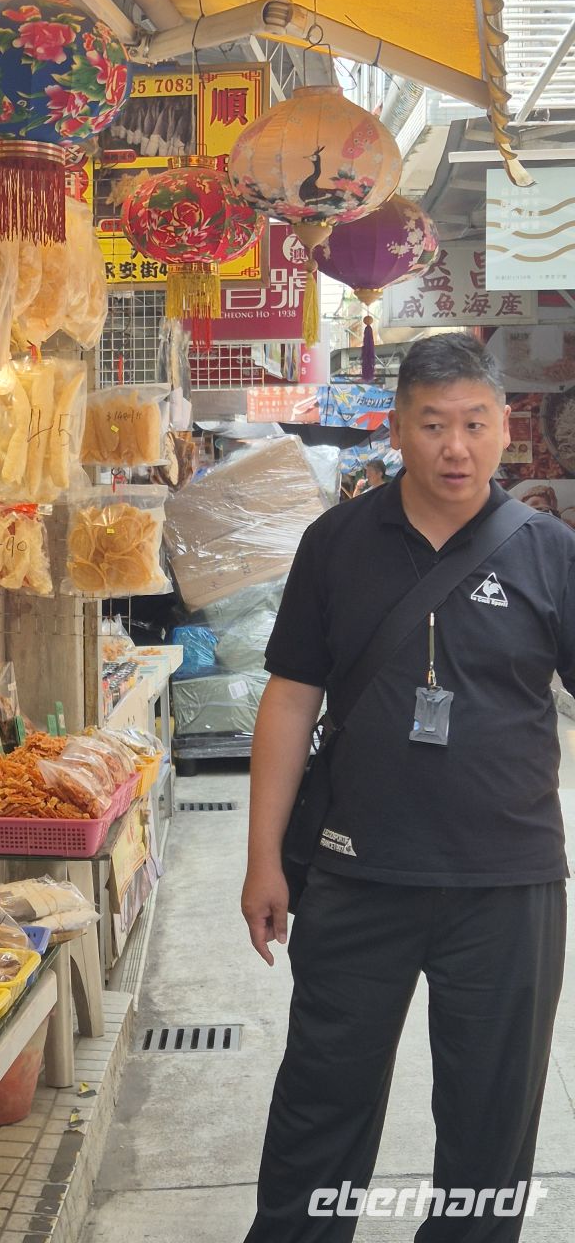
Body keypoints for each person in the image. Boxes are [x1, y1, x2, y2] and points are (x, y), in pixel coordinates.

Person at [241, 333, 571, 1242]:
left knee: (491, 1130)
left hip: (509, 887)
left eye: (474, 423)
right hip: (356, 877)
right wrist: (263, 859)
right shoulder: (338, 541)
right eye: (433, 425)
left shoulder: (549, 552)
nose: (454, 447)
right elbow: (289, 699)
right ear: (397, 429)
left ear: (506, 429)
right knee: (319, 1107)